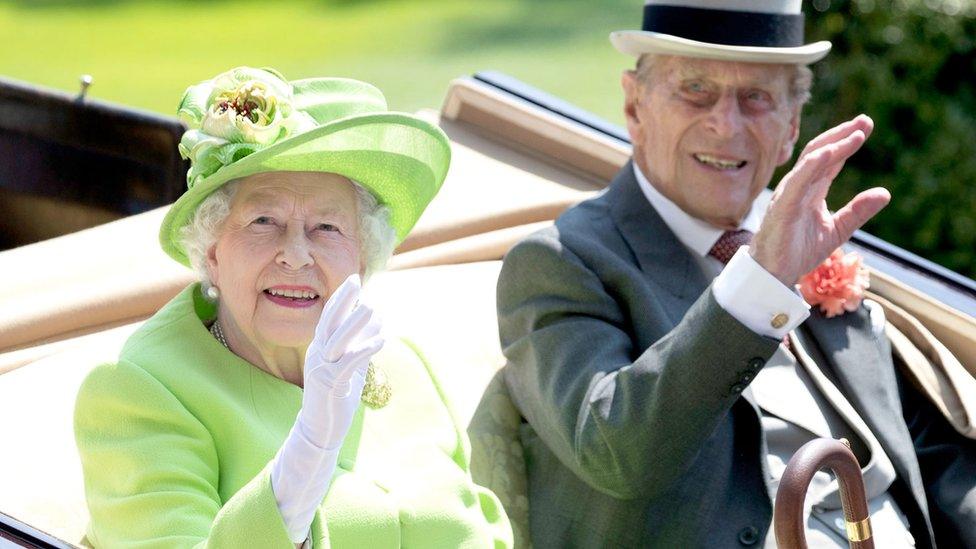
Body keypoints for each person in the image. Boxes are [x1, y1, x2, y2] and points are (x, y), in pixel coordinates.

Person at [496, 1, 976, 547]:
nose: (726, 125)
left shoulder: (809, 231)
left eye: (756, 98)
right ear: (635, 106)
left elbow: (919, 444)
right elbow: (614, 453)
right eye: (695, 90)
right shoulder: (561, 262)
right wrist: (760, 284)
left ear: (791, 126)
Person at [74, 66, 512, 548]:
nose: (296, 253)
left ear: (361, 259)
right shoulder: (139, 391)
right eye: (264, 221)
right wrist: (311, 450)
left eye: (327, 228)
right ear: (212, 251)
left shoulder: (405, 365)